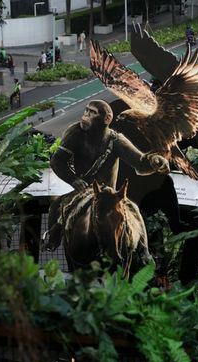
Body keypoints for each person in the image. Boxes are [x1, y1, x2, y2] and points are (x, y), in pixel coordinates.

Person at [44, 100, 169, 250]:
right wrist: (74, 180)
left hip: (109, 194)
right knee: (56, 207)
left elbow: (140, 164)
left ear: (107, 119)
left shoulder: (116, 140)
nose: (86, 115)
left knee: (134, 212)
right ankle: (52, 240)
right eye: (87, 110)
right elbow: (57, 161)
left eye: (92, 112)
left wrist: (154, 161)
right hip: (82, 191)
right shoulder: (75, 132)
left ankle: (143, 251)